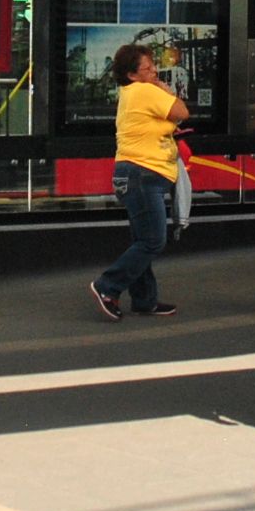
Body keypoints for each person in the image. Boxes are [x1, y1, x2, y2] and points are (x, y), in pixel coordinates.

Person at [91, 43, 189, 320]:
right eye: (147, 68)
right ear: (132, 75)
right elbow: (181, 112)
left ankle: (145, 300)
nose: (155, 71)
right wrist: (166, 91)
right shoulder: (145, 91)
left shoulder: (130, 93)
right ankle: (107, 286)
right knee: (153, 241)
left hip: (136, 175)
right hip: (143, 174)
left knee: (142, 239)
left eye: (153, 65)